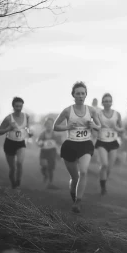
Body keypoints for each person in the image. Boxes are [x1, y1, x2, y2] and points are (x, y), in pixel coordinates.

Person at [53, 82, 101, 213]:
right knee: (75, 178)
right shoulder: (67, 110)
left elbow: (99, 126)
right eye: (78, 93)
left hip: (85, 144)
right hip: (70, 145)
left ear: (86, 95)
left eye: (83, 93)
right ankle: (74, 195)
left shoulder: (91, 110)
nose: (80, 96)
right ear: (73, 95)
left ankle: (78, 201)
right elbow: (55, 126)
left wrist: (93, 125)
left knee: (84, 171)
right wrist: (67, 127)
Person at [0, 97, 33, 188]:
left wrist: (30, 132)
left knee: (19, 163)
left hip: (21, 143)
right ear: (13, 106)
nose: (18, 108)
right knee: (12, 168)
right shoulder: (8, 118)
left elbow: (28, 127)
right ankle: (13, 184)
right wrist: (8, 128)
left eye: (20, 106)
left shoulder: (26, 116)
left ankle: (18, 181)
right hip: (9, 143)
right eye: (16, 106)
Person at [95, 93, 124, 195]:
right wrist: (99, 126)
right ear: (102, 102)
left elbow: (122, 129)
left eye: (109, 101)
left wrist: (116, 128)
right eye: (105, 101)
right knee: (104, 164)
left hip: (113, 142)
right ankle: (103, 187)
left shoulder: (117, 114)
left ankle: (103, 180)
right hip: (102, 141)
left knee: (109, 167)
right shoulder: (98, 114)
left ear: (112, 102)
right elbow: (94, 127)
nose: (107, 103)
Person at [36, 117, 58, 189]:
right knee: (43, 167)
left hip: (52, 152)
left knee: (50, 168)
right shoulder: (43, 133)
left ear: (53, 125)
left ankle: (50, 183)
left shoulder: (54, 134)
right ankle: (45, 175)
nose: (49, 125)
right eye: (48, 124)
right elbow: (38, 141)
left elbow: (60, 142)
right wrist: (40, 143)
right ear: (45, 125)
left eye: (51, 124)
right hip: (44, 152)